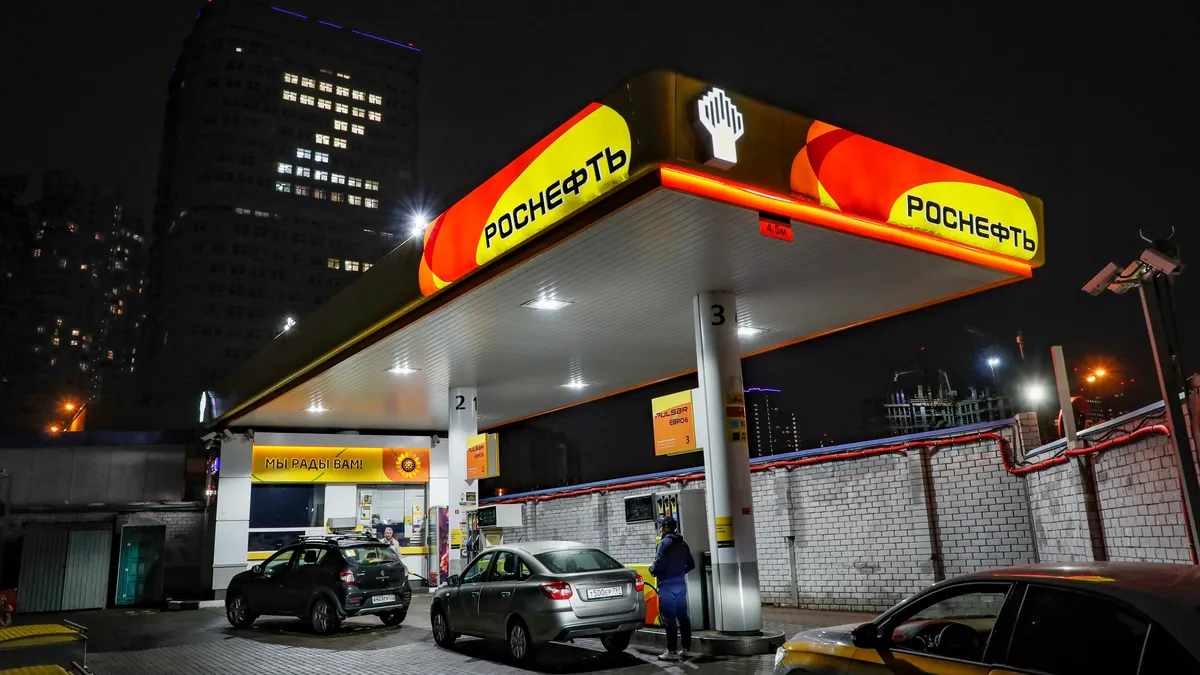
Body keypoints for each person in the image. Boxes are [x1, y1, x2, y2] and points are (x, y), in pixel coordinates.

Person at [648, 516, 695, 661]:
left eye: (661, 526)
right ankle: (687, 649)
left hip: (667, 585)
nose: (660, 529)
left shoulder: (664, 543)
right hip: (680, 584)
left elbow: (658, 563)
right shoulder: (683, 543)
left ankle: (672, 651)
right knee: (683, 617)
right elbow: (691, 564)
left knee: (670, 618)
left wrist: (652, 570)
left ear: (666, 527)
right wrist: (680, 573)